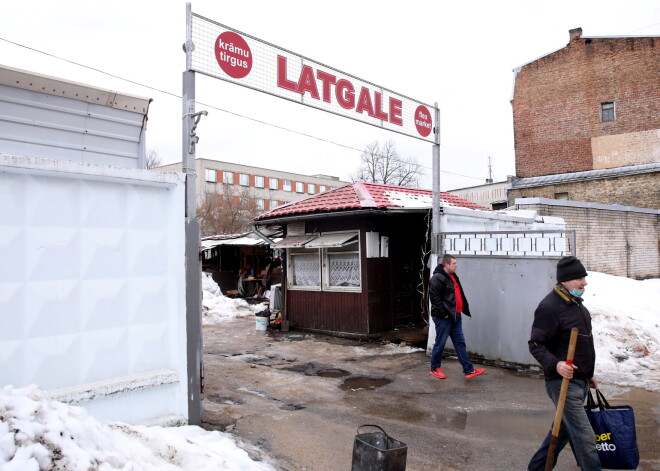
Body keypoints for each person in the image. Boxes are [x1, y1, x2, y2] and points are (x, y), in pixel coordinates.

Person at [527, 256, 600, 471]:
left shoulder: (576, 305)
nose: (584, 283)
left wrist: (588, 373)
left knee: (560, 433)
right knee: (586, 441)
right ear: (566, 281)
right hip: (562, 384)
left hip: (580, 381)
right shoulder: (550, 307)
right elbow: (535, 344)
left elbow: (581, 345)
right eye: (579, 278)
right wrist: (557, 364)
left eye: (584, 277)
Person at [429, 254, 485, 380]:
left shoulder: (452, 276)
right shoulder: (437, 278)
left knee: (460, 343)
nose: (457, 265)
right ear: (446, 264)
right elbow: (435, 298)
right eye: (454, 263)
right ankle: (434, 368)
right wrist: (444, 314)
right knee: (440, 343)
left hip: (455, 316)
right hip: (444, 318)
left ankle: (469, 370)